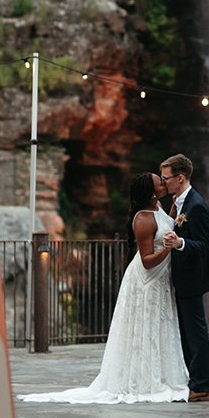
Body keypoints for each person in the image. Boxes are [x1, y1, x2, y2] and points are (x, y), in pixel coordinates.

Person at [19, 172, 190, 404]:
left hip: (161, 278)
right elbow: (147, 259)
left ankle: (162, 375)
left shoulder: (159, 206)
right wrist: (169, 248)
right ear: (152, 192)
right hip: (147, 280)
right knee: (145, 328)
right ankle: (143, 380)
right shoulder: (142, 219)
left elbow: (167, 224)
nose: (164, 181)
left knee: (160, 327)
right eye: (160, 181)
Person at [160, 153, 209, 402]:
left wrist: (180, 242)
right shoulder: (178, 202)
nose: (163, 182)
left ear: (180, 178)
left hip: (192, 278)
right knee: (186, 332)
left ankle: (201, 385)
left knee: (196, 332)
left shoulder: (197, 205)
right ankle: (193, 380)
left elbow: (203, 245)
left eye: (167, 178)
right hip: (181, 277)